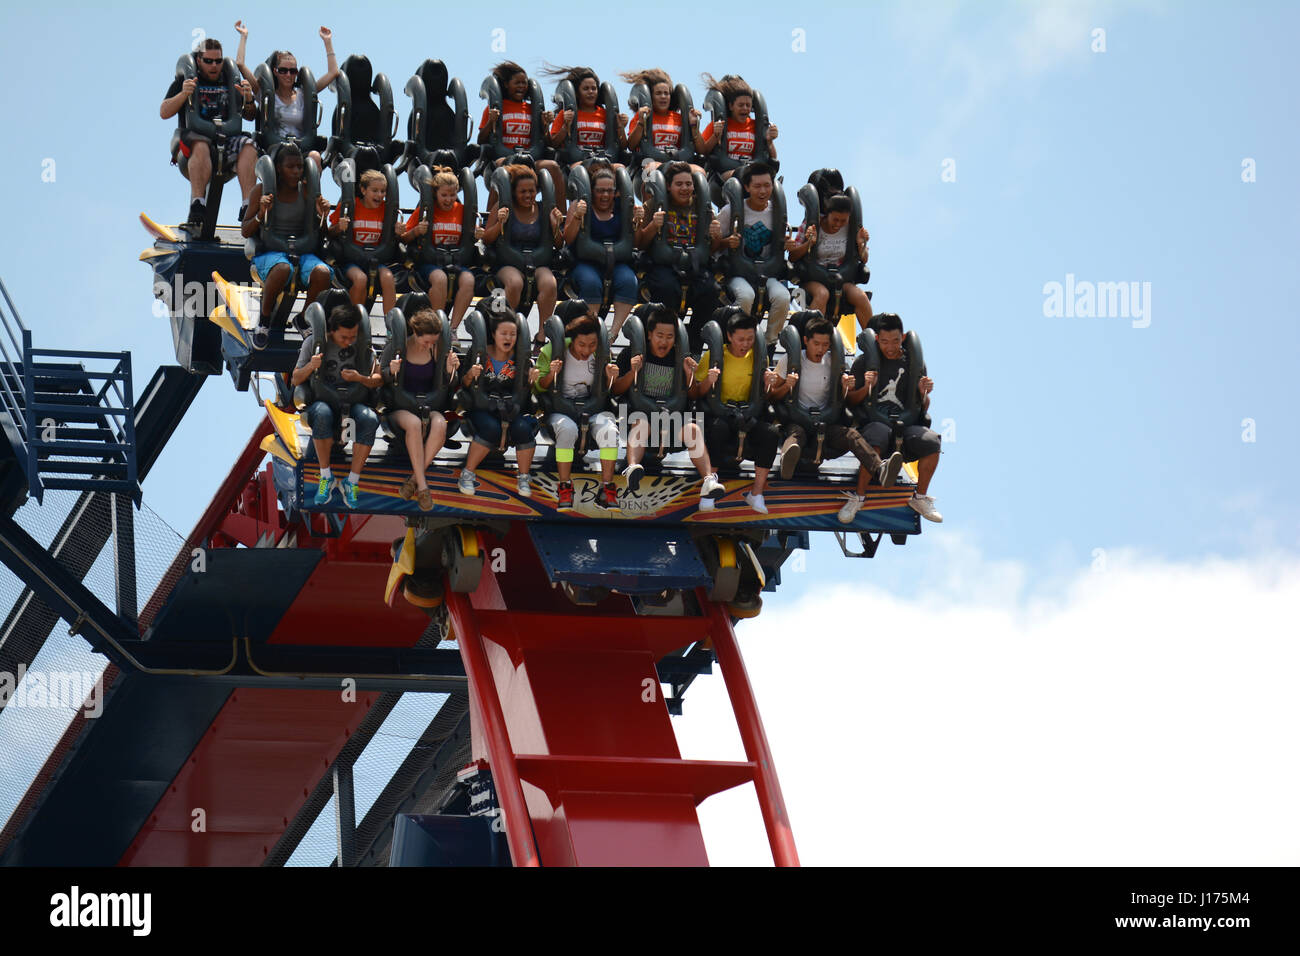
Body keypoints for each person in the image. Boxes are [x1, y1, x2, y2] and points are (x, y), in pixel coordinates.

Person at [769, 313, 902, 510]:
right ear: (806, 341)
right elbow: (773, 396)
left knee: (852, 435)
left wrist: (845, 386)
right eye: (816, 344)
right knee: (796, 434)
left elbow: (845, 397)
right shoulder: (790, 360)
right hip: (799, 419)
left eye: (825, 344)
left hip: (826, 421)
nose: (821, 349)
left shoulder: (833, 361)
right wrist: (786, 385)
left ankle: (880, 468)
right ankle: (789, 460)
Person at [610, 304, 725, 509]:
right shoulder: (631, 354)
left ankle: (708, 479)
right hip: (641, 416)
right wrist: (632, 372)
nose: (664, 341)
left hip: (671, 421)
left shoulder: (680, 357)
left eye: (670, 337)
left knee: (693, 429)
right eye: (659, 336)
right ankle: (633, 468)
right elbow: (616, 390)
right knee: (641, 423)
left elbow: (694, 394)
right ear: (649, 335)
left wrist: (690, 374)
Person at [843, 313, 942, 523]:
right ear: (877, 339)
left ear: (903, 338)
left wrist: (923, 393)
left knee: (933, 441)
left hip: (905, 427)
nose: (890, 347)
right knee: (878, 433)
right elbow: (850, 401)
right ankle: (858, 497)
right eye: (885, 342)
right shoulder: (864, 363)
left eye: (896, 341)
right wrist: (866, 387)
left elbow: (922, 407)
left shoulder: (913, 363)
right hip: (874, 426)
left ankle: (920, 497)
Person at [160, 37, 259, 225]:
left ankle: (248, 206)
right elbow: (164, 112)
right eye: (208, 61)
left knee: (250, 145)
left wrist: (247, 99)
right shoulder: (186, 80)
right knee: (201, 144)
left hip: (227, 141)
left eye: (218, 61)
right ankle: (198, 203)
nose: (214, 66)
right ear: (198, 61)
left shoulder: (229, 79)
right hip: (195, 143)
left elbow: (250, 116)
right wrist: (183, 94)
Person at [291, 303, 381, 509]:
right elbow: (296, 378)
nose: (349, 342)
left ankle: (353, 480)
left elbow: (377, 379)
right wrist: (311, 366)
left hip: (354, 401)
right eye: (344, 338)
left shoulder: (364, 347)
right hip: (324, 401)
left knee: (369, 419)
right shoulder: (312, 343)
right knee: (321, 412)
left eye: (353, 337)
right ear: (332, 332)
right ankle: (326, 476)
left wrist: (360, 378)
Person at [240, 142, 332, 344]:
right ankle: (264, 319)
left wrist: (323, 214)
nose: (296, 171)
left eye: (299, 167)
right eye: (291, 167)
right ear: (279, 168)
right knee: (282, 268)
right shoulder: (260, 191)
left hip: (303, 249)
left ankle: (303, 318)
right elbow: (245, 230)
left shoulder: (308, 191)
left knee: (323, 273)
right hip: (271, 251)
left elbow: (322, 233)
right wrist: (261, 214)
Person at [691, 309, 779, 513]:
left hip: (747, 414)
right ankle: (709, 489)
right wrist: (708, 381)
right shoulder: (714, 355)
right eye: (741, 339)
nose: (745, 344)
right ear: (729, 336)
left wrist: (769, 384)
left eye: (750, 339)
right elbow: (697, 392)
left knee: (771, 434)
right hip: (721, 413)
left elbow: (765, 395)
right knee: (718, 429)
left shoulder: (758, 358)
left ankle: (756, 494)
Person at [534, 311, 622, 510]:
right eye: (582, 344)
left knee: (610, 432)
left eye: (592, 345)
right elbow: (539, 387)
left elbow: (608, 391)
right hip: (560, 409)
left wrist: (610, 377)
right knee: (568, 430)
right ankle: (565, 485)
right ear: (571, 340)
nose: (587, 350)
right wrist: (552, 375)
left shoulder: (600, 354)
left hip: (591, 408)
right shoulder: (552, 351)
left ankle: (606, 487)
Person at [478, 165, 564, 354]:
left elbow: (559, 243)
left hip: (537, 261)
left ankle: (541, 337)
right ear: (514, 192)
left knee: (550, 283)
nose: (528, 195)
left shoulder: (543, 209)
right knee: (515, 283)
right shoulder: (502, 207)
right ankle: (509, 332)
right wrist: (500, 223)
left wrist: (555, 226)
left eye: (532, 191)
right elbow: (487, 238)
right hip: (509, 263)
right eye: (523, 191)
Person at [636, 161, 722, 347]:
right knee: (667, 289)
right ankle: (665, 342)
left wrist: (715, 236)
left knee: (711, 290)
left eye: (688, 184)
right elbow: (640, 243)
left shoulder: (703, 207)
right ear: (668, 186)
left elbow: (713, 249)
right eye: (679, 184)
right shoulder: (654, 204)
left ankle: (694, 344)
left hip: (695, 264)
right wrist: (653, 226)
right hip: (664, 264)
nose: (685, 188)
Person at [457, 309, 541, 498]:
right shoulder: (479, 352)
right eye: (504, 333)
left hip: (510, 408)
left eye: (512, 334)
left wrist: (531, 381)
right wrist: (470, 374)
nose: (508, 338)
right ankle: (467, 474)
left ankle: (524, 477)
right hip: (482, 408)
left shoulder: (520, 358)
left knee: (522, 429)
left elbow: (525, 393)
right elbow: (463, 384)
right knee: (490, 428)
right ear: (494, 335)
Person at [383, 308, 460, 512]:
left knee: (440, 423)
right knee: (414, 424)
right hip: (401, 407)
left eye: (433, 342)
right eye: (426, 341)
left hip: (428, 405)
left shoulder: (435, 350)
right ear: (415, 333)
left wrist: (451, 370)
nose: (429, 345)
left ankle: (413, 480)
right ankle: (423, 487)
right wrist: (391, 371)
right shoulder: (398, 347)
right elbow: (380, 377)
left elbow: (448, 383)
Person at [233, 21, 339, 167]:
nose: (288, 75)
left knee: (315, 156)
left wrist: (327, 41)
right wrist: (244, 36)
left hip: (300, 149)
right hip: (276, 151)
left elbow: (333, 73)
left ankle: (314, 190)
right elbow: (240, 64)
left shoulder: (303, 95)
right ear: (275, 71)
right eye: (283, 71)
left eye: (293, 71)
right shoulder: (267, 95)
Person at [717, 162, 795, 352]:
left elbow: (783, 242)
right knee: (745, 296)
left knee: (782, 296)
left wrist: (789, 244)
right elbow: (715, 242)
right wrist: (727, 242)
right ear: (747, 187)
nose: (763, 191)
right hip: (739, 272)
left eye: (767, 186)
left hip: (766, 272)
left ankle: (769, 342)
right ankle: (739, 339)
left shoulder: (777, 212)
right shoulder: (731, 211)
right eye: (757, 186)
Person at [477, 61, 566, 211]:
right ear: (506, 84)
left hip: (530, 161)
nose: (521, 87)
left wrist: (545, 125)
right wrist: (491, 121)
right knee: (501, 167)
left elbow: (547, 143)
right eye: (517, 83)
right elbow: (481, 140)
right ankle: (490, 215)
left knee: (553, 167)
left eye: (524, 83)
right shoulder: (494, 109)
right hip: (505, 159)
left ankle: (561, 217)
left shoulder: (532, 109)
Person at [562, 166, 638, 340]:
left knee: (629, 281)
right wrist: (576, 217)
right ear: (592, 190)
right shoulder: (579, 204)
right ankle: (593, 331)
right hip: (587, 261)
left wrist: (637, 221)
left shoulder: (622, 208)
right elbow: (568, 237)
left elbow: (636, 241)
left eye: (609, 191)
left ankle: (612, 333)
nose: (605, 195)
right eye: (600, 191)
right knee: (590, 282)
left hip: (617, 261)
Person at [400, 166, 475, 329]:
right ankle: (436, 326)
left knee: (469, 280)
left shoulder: (462, 211)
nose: (448, 199)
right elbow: (404, 238)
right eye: (444, 195)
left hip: (456, 261)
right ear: (435, 194)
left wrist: (478, 233)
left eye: (452, 195)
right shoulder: (425, 210)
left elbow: (471, 237)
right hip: (430, 262)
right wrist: (416, 231)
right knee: (440, 278)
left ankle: (453, 328)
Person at [792, 192, 873, 330]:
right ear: (827, 214)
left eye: (843, 221)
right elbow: (792, 257)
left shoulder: (852, 229)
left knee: (860, 297)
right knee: (822, 294)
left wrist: (861, 244)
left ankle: (874, 340)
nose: (838, 224)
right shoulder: (811, 225)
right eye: (835, 220)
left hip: (841, 278)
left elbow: (864, 259)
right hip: (814, 278)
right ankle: (813, 335)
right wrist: (809, 244)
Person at [328, 168, 397, 316]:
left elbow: (393, 238)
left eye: (383, 191)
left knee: (388, 277)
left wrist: (398, 231)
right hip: (351, 259)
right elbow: (330, 232)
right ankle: (352, 320)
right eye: (375, 190)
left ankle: (391, 327)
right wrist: (339, 227)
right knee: (360, 279)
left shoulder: (387, 210)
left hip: (375, 259)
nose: (380, 195)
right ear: (363, 190)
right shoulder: (351, 206)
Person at [619, 68, 706, 182]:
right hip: (648, 162)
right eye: (658, 93)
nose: (663, 97)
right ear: (651, 97)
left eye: (666, 93)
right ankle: (651, 199)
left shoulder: (679, 118)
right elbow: (631, 145)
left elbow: (701, 149)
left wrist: (694, 126)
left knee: (700, 172)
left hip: (678, 163)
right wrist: (641, 122)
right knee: (652, 170)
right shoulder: (641, 116)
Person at [543, 65, 627, 167]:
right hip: (576, 163)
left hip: (603, 162)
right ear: (577, 93)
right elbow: (553, 144)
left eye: (594, 88)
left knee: (620, 168)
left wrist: (621, 127)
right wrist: (566, 126)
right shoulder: (566, 114)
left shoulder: (606, 114)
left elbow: (622, 146)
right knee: (581, 170)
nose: (590, 92)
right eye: (586, 89)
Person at [698, 74, 778, 181]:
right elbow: (703, 151)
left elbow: (773, 157)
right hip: (726, 175)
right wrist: (716, 136)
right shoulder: (718, 125)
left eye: (748, 105)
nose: (745, 108)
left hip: (754, 174)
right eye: (740, 105)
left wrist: (769, 141)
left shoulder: (756, 126)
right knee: (740, 178)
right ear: (731, 106)